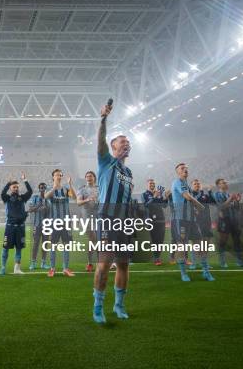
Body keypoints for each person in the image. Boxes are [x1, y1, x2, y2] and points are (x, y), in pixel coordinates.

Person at [92, 102, 133, 323]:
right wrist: (103, 119)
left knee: (124, 264)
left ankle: (119, 305)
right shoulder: (106, 162)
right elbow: (100, 142)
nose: (126, 144)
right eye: (122, 142)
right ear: (113, 146)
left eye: (128, 142)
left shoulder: (128, 171)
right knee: (105, 263)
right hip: (107, 219)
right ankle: (98, 307)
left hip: (124, 223)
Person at [171, 164, 213, 282]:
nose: (185, 169)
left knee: (200, 245)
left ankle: (206, 271)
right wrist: (199, 205)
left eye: (186, 168)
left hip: (191, 220)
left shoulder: (187, 185)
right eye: (182, 168)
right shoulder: (177, 182)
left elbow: (188, 199)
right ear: (177, 172)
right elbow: (187, 196)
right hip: (180, 219)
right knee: (182, 246)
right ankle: (184, 273)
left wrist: (193, 210)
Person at [44, 169, 76, 277]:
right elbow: (46, 197)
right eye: (56, 175)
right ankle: (52, 268)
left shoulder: (66, 189)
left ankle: (65, 268)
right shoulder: (49, 188)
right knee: (53, 245)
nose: (58, 176)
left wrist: (70, 185)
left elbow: (74, 197)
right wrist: (54, 187)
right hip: (55, 222)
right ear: (53, 177)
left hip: (66, 222)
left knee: (66, 245)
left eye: (60, 175)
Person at [0, 172, 33, 275]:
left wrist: (25, 180)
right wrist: (8, 183)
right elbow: (2, 194)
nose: (16, 189)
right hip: (10, 227)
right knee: (5, 249)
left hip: (20, 227)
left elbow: (30, 191)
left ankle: (16, 269)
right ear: (10, 188)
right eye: (14, 187)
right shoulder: (7, 198)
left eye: (17, 187)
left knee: (19, 249)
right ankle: (3, 268)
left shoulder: (22, 198)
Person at [213, 178, 243, 268]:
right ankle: (222, 262)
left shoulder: (229, 194)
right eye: (223, 182)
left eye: (226, 182)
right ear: (218, 185)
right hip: (224, 220)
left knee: (237, 241)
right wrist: (230, 199)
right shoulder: (216, 194)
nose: (226, 183)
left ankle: (240, 262)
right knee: (223, 241)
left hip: (233, 220)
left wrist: (237, 201)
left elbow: (236, 208)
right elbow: (221, 207)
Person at [141, 179, 167, 266]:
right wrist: (154, 197)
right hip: (151, 220)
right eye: (150, 183)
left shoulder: (158, 193)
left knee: (160, 239)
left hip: (161, 219)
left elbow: (164, 205)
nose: (152, 184)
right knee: (154, 239)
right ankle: (156, 257)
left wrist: (166, 198)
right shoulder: (144, 194)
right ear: (147, 185)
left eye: (153, 183)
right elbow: (146, 205)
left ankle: (157, 256)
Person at [191, 179, 216, 270]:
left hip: (207, 221)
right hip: (196, 222)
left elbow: (214, 202)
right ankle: (193, 263)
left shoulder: (205, 195)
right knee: (196, 243)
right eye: (195, 184)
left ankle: (204, 263)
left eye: (198, 183)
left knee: (206, 243)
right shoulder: (190, 195)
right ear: (192, 186)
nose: (197, 185)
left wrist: (209, 191)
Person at [77, 171, 99, 272]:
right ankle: (100, 262)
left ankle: (90, 263)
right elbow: (78, 202)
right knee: (94, 239)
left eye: (90, 176)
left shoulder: (99, 188)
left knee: (95, 241)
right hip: (87, 217)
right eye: (87, 176)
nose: (89, 177)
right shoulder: (82, 189)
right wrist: (87, 200)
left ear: (94, 178)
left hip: (99, 217)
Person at [27, 182, 50, 270]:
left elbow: (51, 210)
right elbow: (30, 209)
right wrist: (39, 205)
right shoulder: (35, 198)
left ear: (46, 189)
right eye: (41, 187)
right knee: (36, 243)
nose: (42, 189)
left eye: (44, 187)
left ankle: (43, 263)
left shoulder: (48, 198)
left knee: (45, 244)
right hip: (37, 224)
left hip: (46, 225)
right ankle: (33, 263)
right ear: (38, 188)